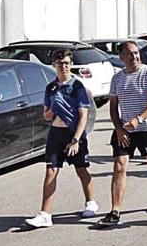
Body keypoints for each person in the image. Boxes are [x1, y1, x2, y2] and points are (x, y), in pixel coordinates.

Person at [100, 41, 147, 226]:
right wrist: (119, 128)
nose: (135, 57)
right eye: (130, 54)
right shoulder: (117, 79)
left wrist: (139, 119)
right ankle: (115, 210)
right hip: (125, 131)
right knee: (119, 166)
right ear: (122, 57)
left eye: (137, 53)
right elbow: (113, 107)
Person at [25, 49, 96, 228]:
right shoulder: (51, 88)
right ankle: (45, 215)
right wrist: (54, 107)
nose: (63, 66)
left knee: (81, 169)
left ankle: (91, 202)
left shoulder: (77, 86)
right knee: (51, 171)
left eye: (66, 63)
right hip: (56, 134)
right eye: (59, 63)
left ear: (71, 64)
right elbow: (47, 116)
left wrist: (76, 140)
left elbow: (83, 116)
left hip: (73, 134)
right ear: (54, 65)